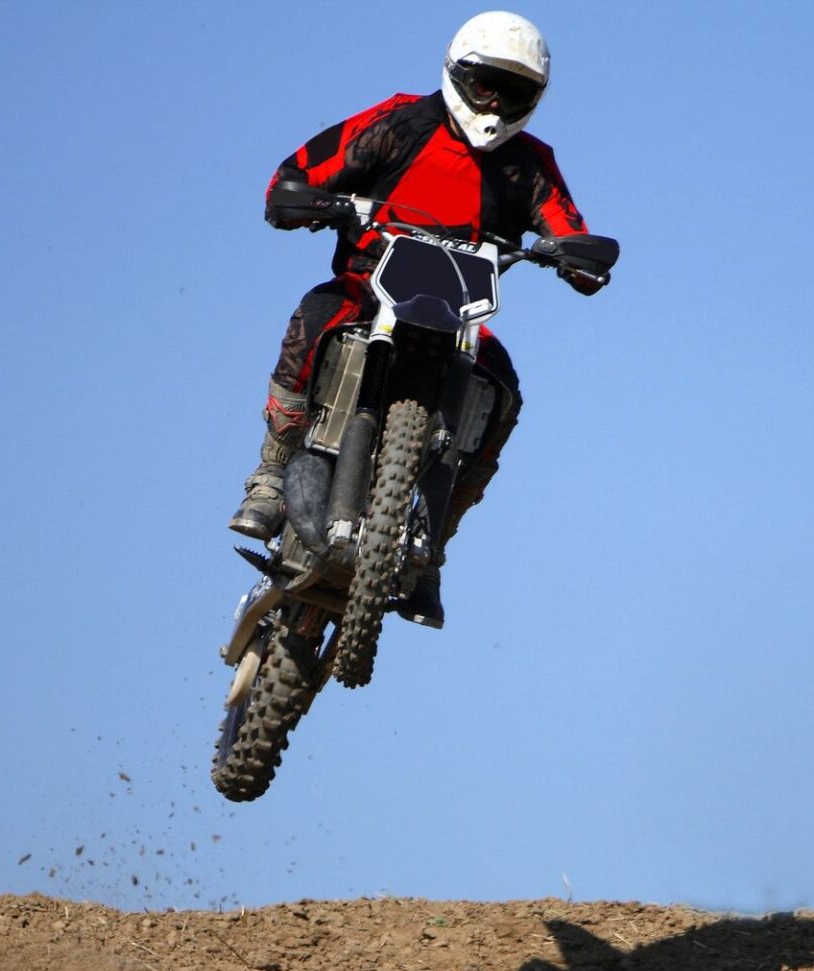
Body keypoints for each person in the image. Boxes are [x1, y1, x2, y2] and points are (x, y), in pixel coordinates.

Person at [229, 10, 607, 629]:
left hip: (458, 321)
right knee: (311, 319)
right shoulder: (400, 121)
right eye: (484, 83)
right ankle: (270, 473)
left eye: (512, 91)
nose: (494, 101)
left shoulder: (532, 164)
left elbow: (571, 231)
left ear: (533, 98)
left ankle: (433, 549)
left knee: (504, 393)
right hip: (363, 293)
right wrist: (310, 200)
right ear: (457, 70)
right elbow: (296, 173)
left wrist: (576, 257)